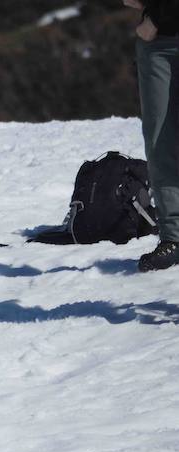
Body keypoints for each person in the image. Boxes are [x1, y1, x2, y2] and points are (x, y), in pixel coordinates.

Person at [125, 0, 179, 271]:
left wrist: (156, 17)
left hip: (157, 27)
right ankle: (173, 237)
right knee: (159, 141)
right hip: (157, 45)